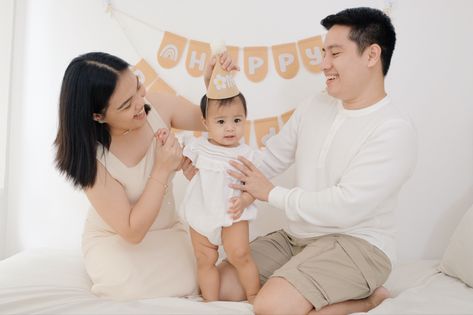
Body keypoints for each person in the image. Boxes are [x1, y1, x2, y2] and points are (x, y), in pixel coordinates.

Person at [220, 7, 417, 315]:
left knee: (270, 306)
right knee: (223, 286)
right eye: (324, 53)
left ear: (371, 55)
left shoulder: (393, 130)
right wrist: (212, 161)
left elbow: (345, 205)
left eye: (335, 53)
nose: (324, 64)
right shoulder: (315, 104)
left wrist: (271, 193)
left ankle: (370, 299)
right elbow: (267, 161)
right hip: (299, 238)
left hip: (358, 245)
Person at [54, 51, 238, 300]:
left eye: (138, 88)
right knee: (130, 290)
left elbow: (212, 122)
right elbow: (132, 232)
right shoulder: (91, 159)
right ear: (98, 116)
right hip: (117, 240)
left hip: (167, 231)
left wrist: (212, 85)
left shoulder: (157, 107)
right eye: (126, 105)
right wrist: (162, 169)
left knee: (199, 281)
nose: (141, 104)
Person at [179, 60, 261, 303]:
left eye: (237, 120)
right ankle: (210, 302)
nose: (230, 128)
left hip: (233, 211)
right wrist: (185, 168)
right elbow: (183, 165)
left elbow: (254, 186)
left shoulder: (246, 154)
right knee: (205, 259)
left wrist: (245, 200)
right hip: (202, 209)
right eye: (221, 122)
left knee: (240, 254)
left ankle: (254, 295)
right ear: (205, 123)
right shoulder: (198, 147)